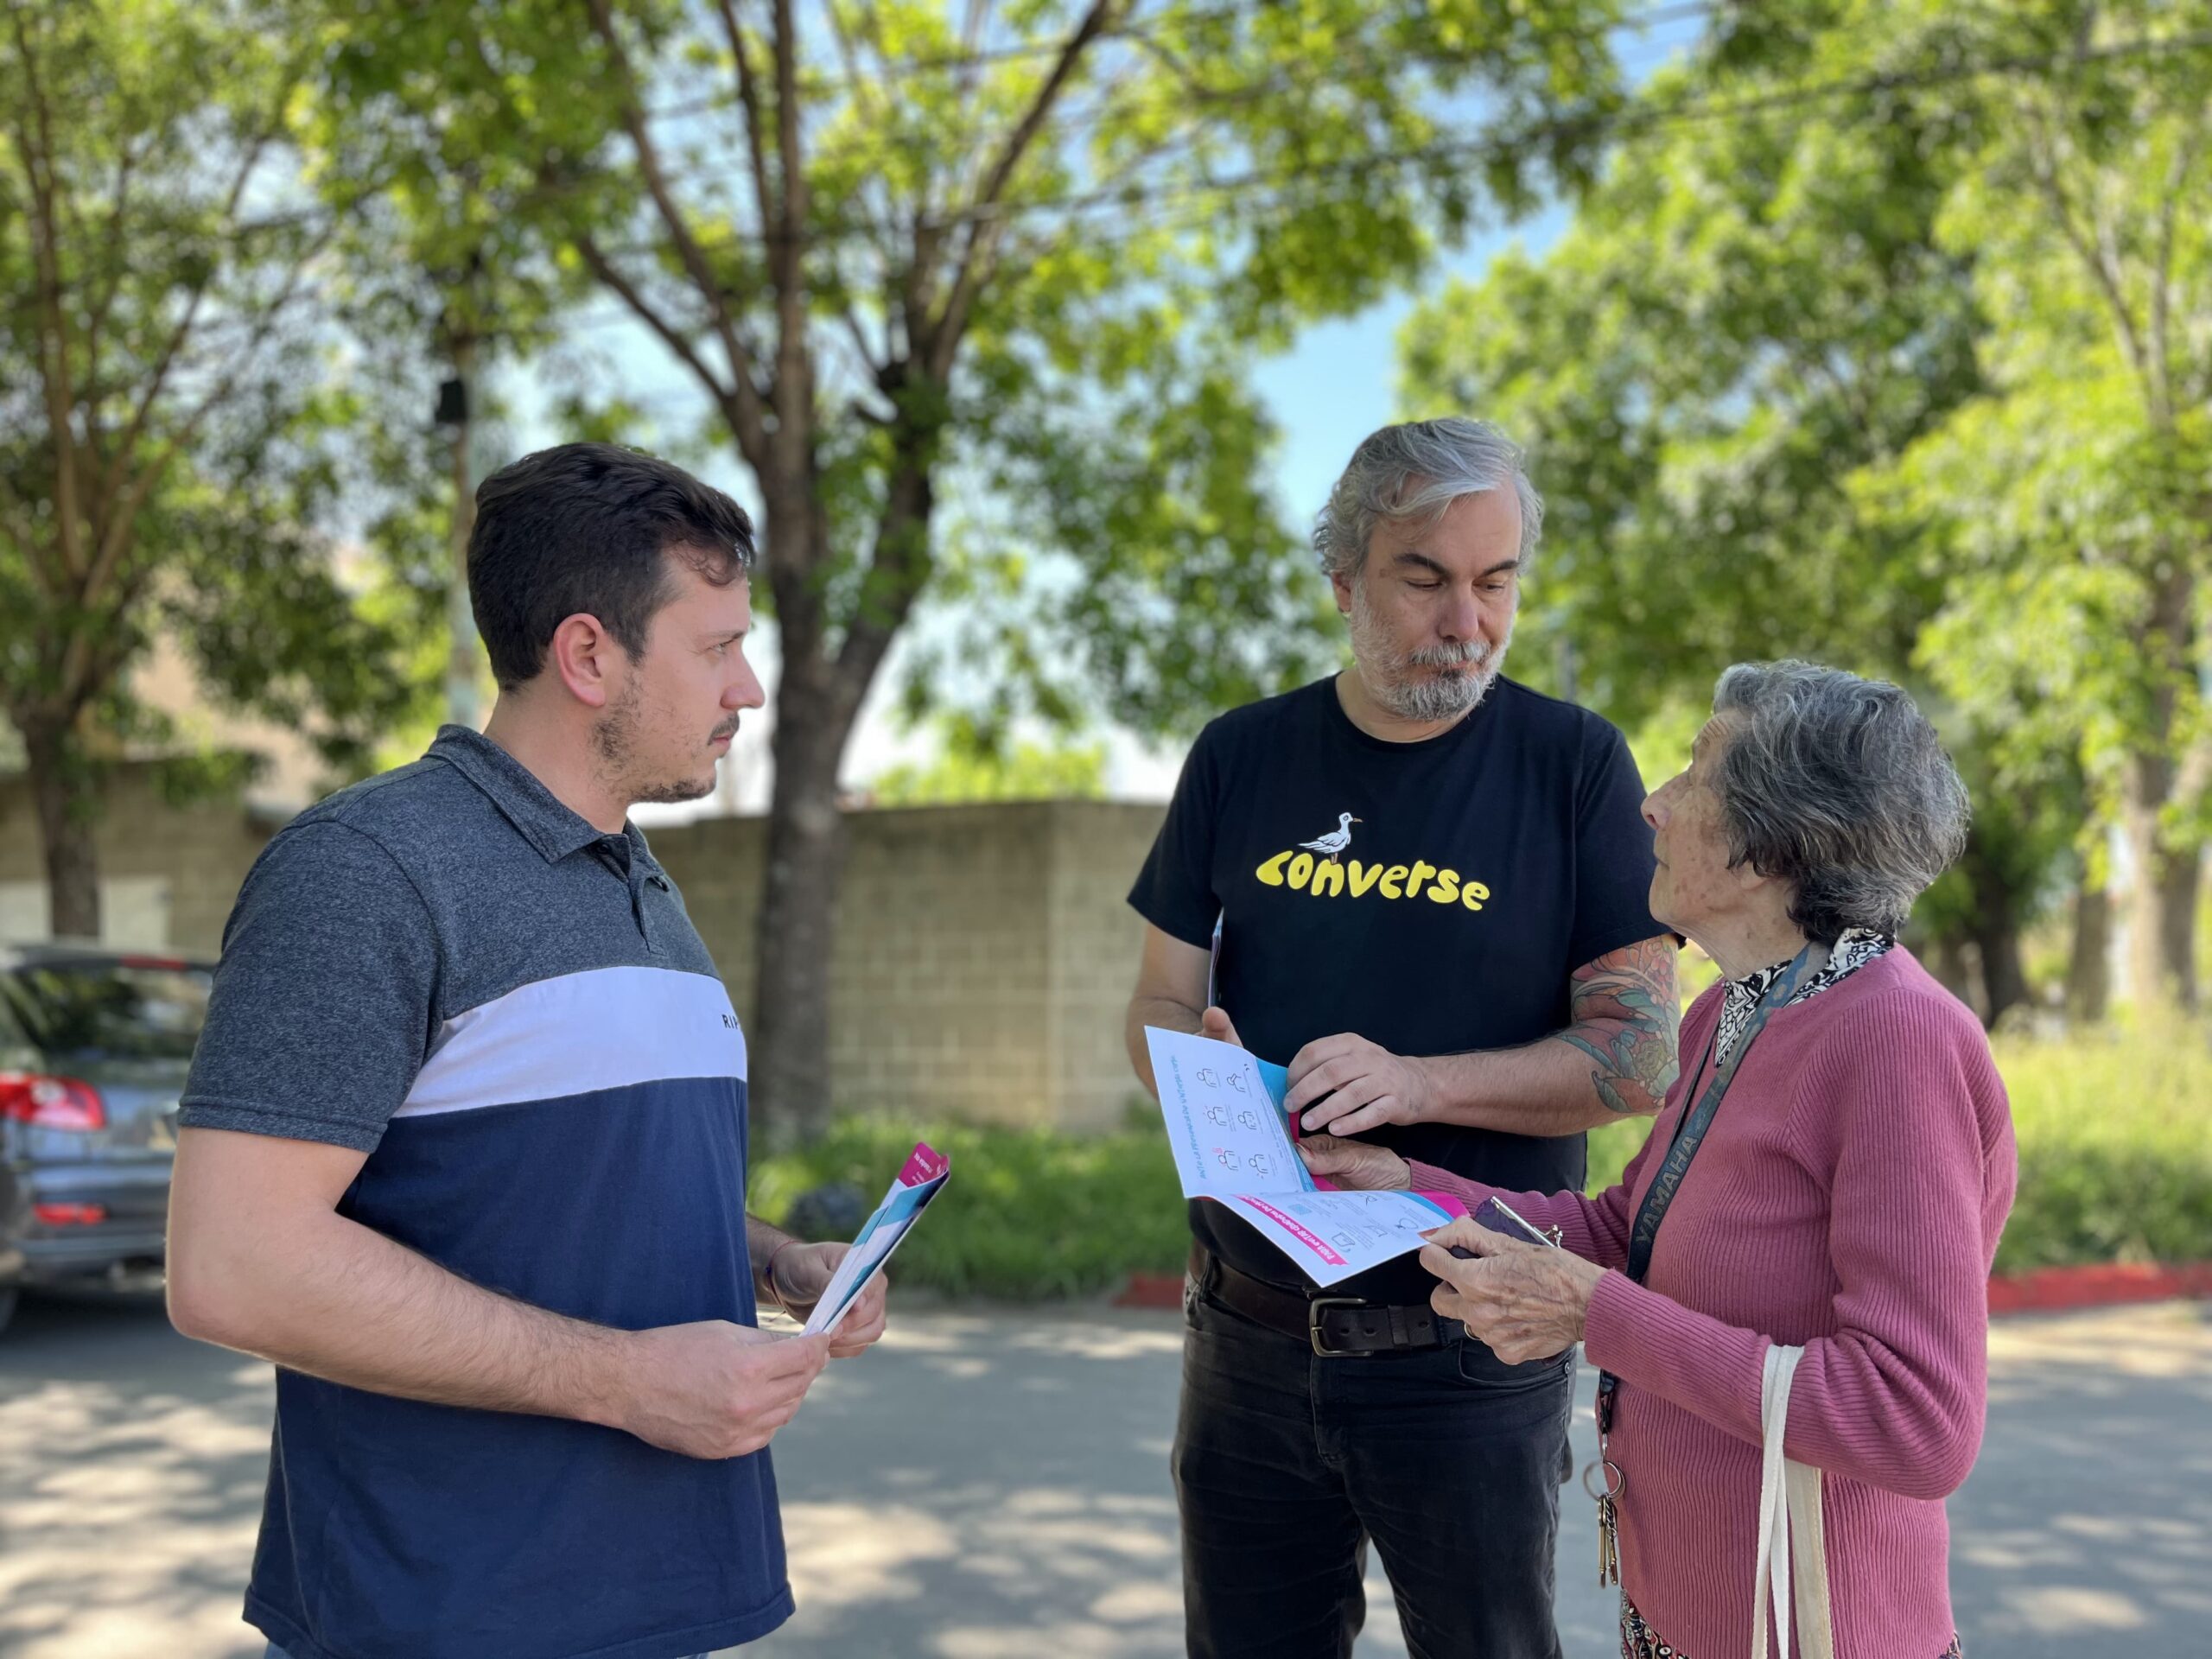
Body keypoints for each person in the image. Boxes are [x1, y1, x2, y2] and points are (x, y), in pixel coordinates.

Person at [166, 442, 888, 1659]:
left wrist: (774, 1264)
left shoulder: (641, 878)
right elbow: (234, 1265)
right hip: (450, 1612)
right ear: (590, 655)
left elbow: (566, 1188)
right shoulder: (366, 874)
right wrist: (627, 1382)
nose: (750, 689)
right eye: (717, 648)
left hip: (664, 1595)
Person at [1302, 661, 2017, 1659]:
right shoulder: (1732, 1009)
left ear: (1769, 846)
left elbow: (1914, 1421)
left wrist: (1595, 1314)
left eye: (1695, 771)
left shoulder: (1899, 1040)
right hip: (1682, 1619)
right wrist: (1403, 1185)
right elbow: (1622, 1234)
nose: (1655, 801)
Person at [1124, 417, 1680, 1659]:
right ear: (1344, 581)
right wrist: (1210, 1080)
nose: (1467, 620)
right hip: (1248, 1337)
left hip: (1473, 1336)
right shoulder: (1240, 755)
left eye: (1497, 582)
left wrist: (1414, 1082)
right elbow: (1160, 1000)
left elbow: (1637, 1057)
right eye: (1425, 579)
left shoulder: (1574, 766)